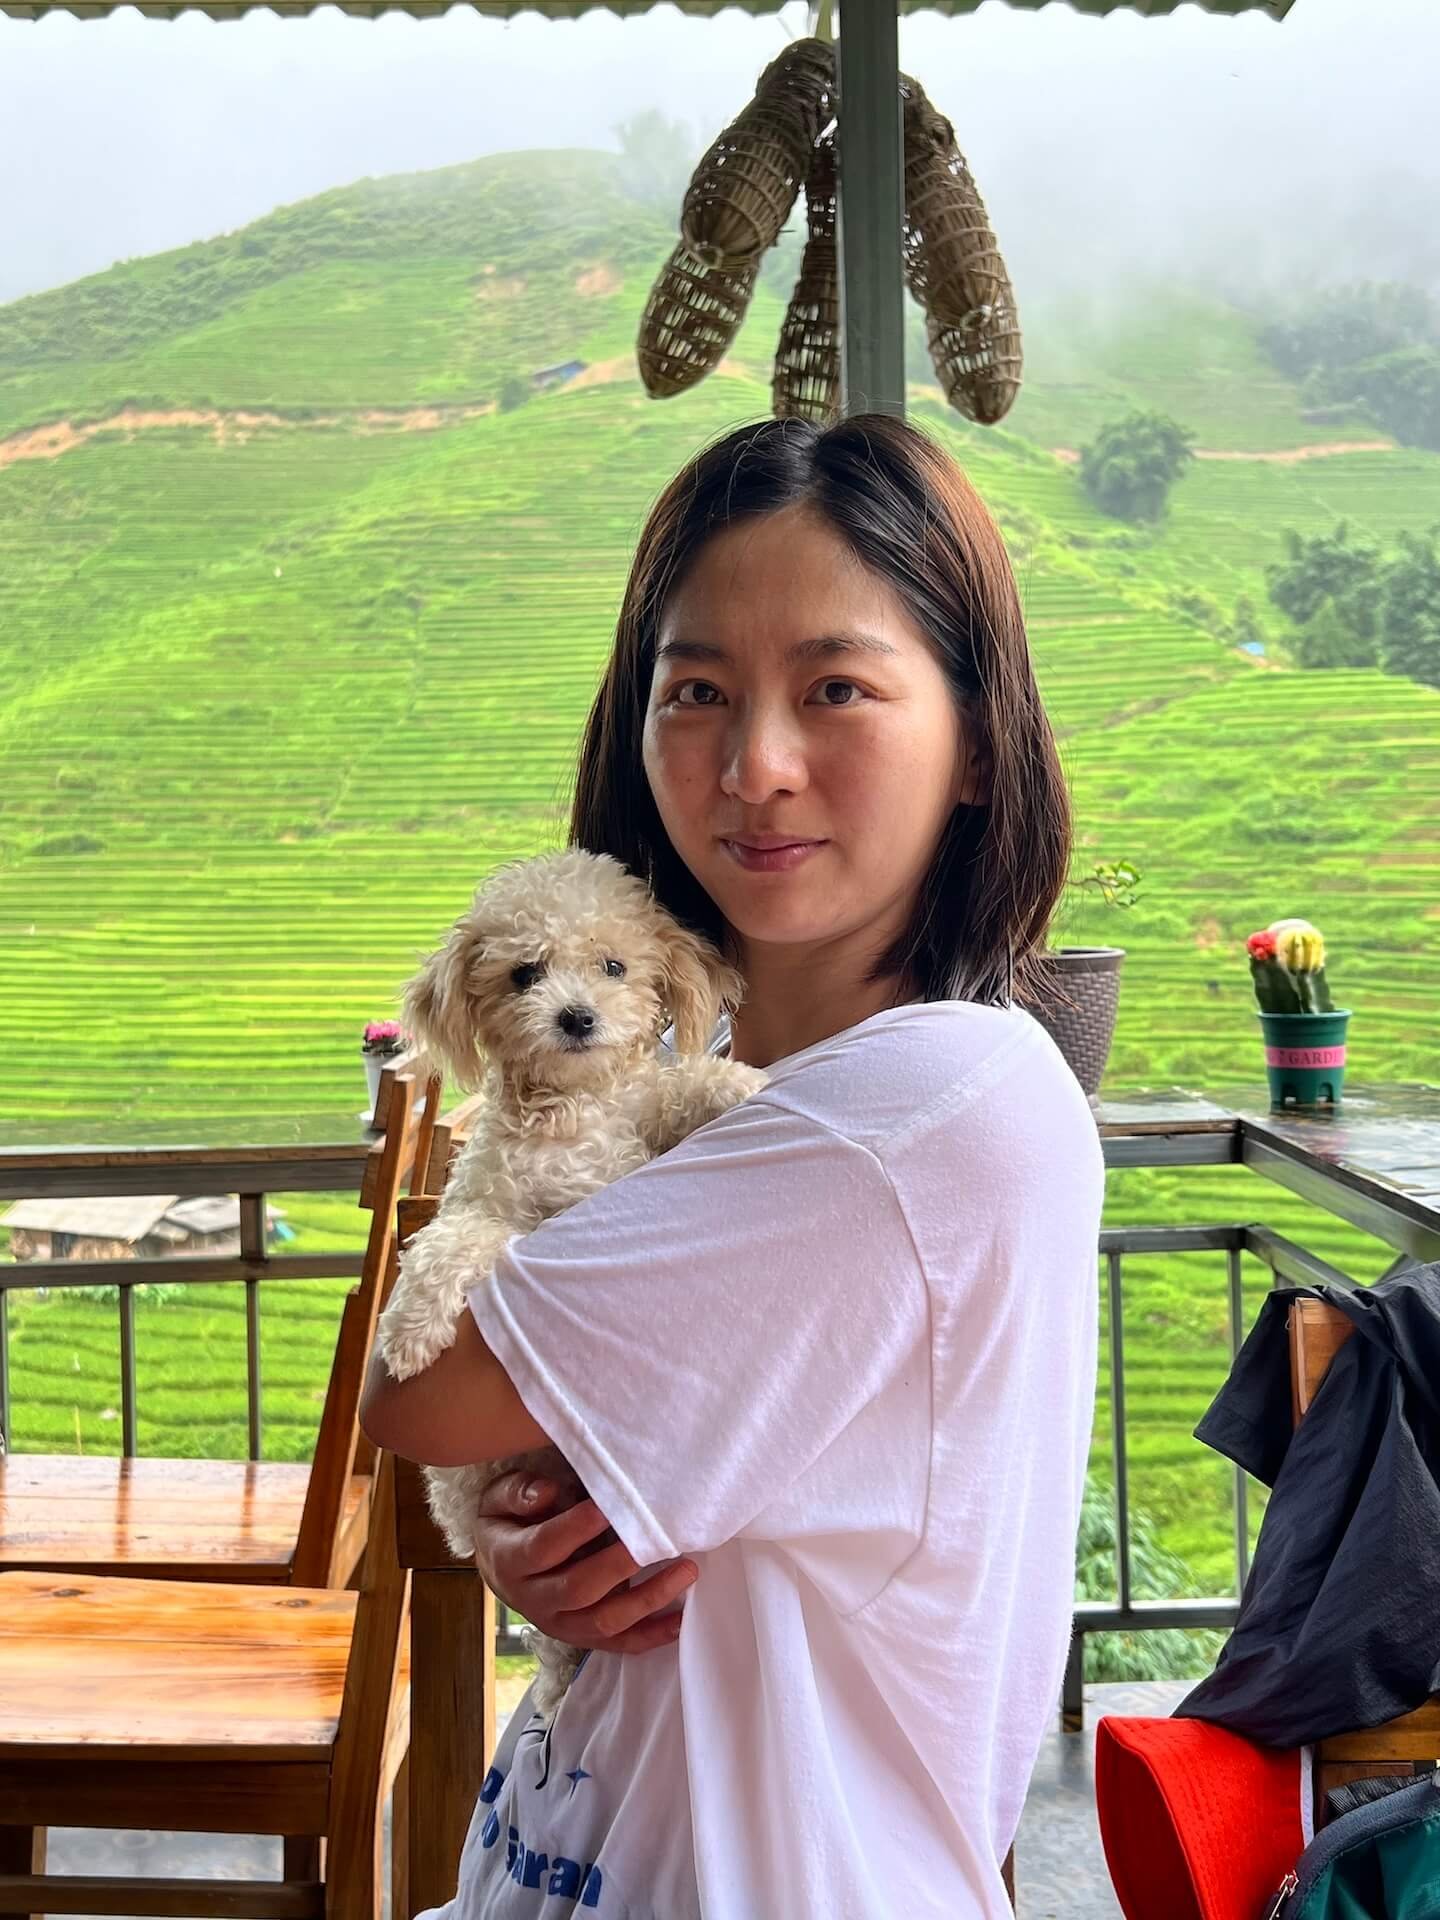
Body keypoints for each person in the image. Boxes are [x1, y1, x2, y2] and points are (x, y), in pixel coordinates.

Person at [361, 412, 1104, 1919]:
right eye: (696, 690)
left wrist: (506, 1464)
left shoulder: (924, 1099)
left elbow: (418, 1393)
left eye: (837, 687)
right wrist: (529, 1543)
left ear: (975, 742)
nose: (754, 766)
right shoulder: (753, 1105)